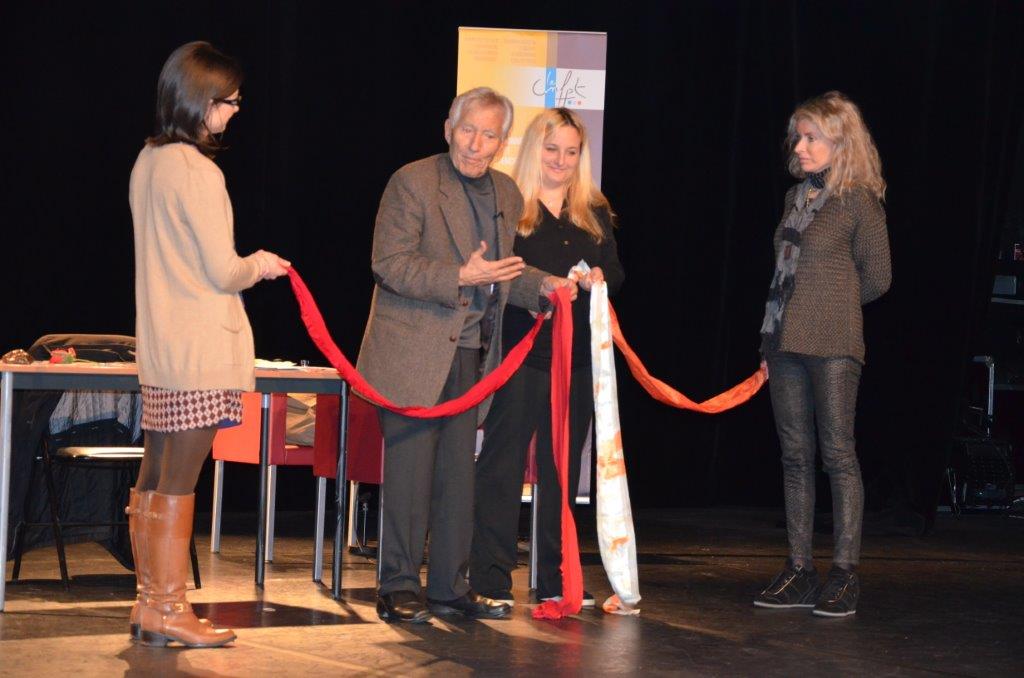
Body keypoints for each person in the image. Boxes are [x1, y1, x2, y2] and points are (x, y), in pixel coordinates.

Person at [356, 87, 577, 624]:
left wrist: (548, 285)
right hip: (413, 352)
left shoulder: (505, 191)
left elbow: (506, 271)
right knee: (410, 475)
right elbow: (390, 264)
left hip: (475, 355)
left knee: (459, 476)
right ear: (448, 128)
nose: (476, 144)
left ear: (503, 144)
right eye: (468, 130)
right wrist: (461, 275)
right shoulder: (412, 182)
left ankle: (450, 588)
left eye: (490, 135)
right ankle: (399, 584)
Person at [128, 41, 290, 647]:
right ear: (201, 100)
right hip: (198, 350)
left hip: (164, 352)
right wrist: (262, 265)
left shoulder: (148, 162)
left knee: (155, 476)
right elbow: (223, 271)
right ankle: (169, 610)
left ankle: (150, 605)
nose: (235, 112)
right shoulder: (198, 170)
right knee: (179, 482)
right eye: (230, 101)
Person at [470, 108, 625, 607]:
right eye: (552, 148)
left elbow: (616, 272)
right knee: (501, 467)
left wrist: (600, 279)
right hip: (520, 355)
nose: (561, 160)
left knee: (562, 473)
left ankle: (555, 582)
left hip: (576, 361)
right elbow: (498, 275)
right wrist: (544, 288)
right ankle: (490, 582)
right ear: (535, 149)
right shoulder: (509, 205)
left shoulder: (593, 209)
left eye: (572, 151)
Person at [754, 91, 891, 617]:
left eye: (812, 137)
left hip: (834, 344)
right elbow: (779, 276)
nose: (801, 145)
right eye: (799, 136)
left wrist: (827, 306)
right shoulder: (795, 198)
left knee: (837, 453)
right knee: (794, 456)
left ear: (840, 141)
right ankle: (799, 568)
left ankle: (844, 572)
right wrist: (770, 338)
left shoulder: (858, 201)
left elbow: (879, 278)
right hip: (783, 341)